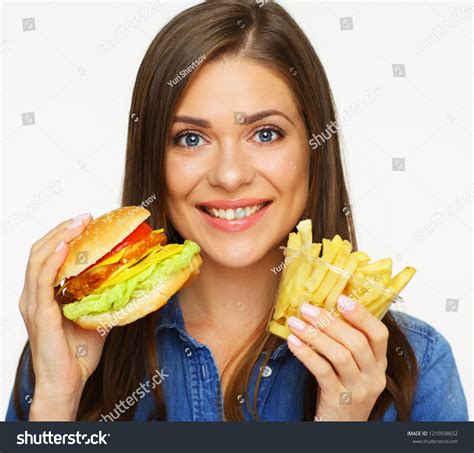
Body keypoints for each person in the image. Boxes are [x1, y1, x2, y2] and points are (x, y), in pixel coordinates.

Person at [6, 0, 467, 421]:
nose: (229, 175)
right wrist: (55, 399)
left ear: (313, 148)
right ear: (153, 159)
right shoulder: (64, 352)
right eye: (191, 138)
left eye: (265, 133)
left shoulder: (416, 363)